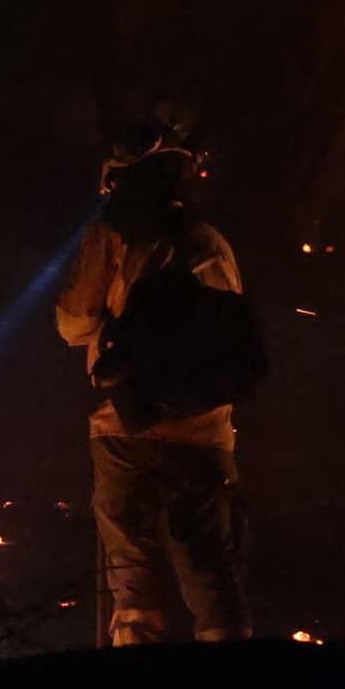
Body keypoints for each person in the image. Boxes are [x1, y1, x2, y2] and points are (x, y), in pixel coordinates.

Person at [57, 123, 252, 646]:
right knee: (211, 564)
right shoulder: (212, 242)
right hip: (208, 430)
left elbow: (75, 321)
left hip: (127, 427)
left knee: (133, 565)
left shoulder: (116, 232)